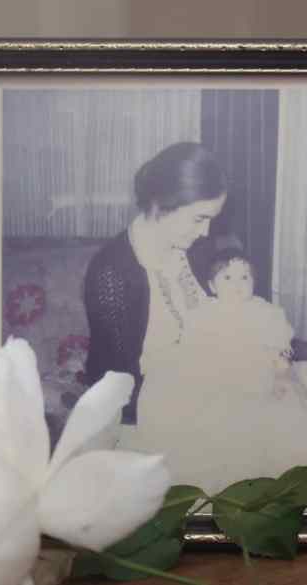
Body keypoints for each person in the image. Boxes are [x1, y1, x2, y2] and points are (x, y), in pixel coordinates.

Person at [117, 248, 307, 511]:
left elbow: (280, 352)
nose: (237, 285)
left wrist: (281, 377)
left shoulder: (265, 313)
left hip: (259, 377)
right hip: (216, 378)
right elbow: (193, 352)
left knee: (283, 421)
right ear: (211, 285)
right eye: (227, 278)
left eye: (245, 278)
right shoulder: (203, 314)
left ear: (255, 282)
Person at [83, 142, 227, 424]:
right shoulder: (111, 273)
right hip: (147, 402)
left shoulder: (197, 249)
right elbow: (120, 382)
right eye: (200, 218)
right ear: (161, 204)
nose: (206, 231)